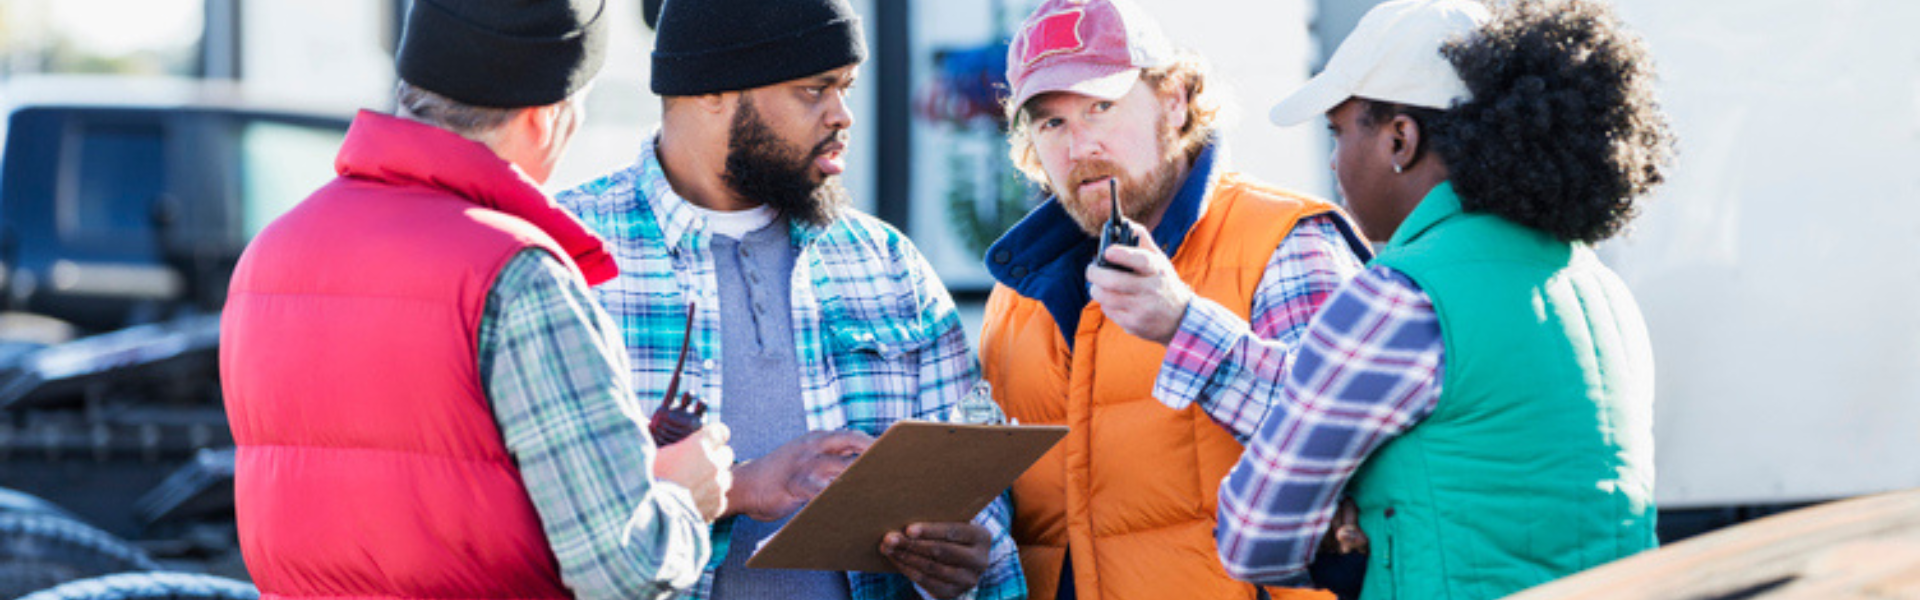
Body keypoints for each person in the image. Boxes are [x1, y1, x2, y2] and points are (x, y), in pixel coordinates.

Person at [1095, 0, 1675, 597]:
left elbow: (1252, 534)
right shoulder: (1600, 287)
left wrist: (1348, 523)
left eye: (1339, 131)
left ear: (1401, 139)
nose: (1332, 158)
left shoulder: (1400, 299)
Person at [219, 1, 734, 599]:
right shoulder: (518, 275)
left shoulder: (269, 254)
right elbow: (623, 569)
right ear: (547, 118)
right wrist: (684, 499)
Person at [555, 0, 1024, 598]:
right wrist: (739, 488)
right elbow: (521, 521)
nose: (843, 115)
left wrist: (962, 568)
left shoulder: (888, 265)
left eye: (846, 88)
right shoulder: (566, 257)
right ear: (712, 89)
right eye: (814, 90)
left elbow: (986, 527)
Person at [976, 0, 1374, 598]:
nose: (1078, 146)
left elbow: (1358, 446)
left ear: (1175, 99)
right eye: (1051, 122)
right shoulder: (1013, 296)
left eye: (1100, 107)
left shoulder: (1283, 240)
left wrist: (1185, 325)